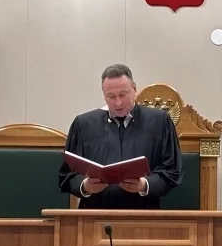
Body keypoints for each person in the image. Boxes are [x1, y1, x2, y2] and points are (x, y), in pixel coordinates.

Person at [58, 63, 183, 209]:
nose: (118, 102)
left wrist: (145, 184)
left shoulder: (160, 121)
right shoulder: (83, 124)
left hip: (143, 213)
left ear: (134, 89)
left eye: (123, 95)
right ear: (103, 95)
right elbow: (66, 174)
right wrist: (85, 185)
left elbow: (172, 170)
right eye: (111, 96)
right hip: (95, 213)